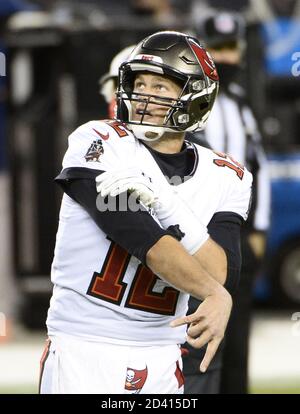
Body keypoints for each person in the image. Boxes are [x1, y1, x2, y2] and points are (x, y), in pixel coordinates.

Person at [40, 30, 252, 394]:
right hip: (85, 346)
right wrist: (215, 294)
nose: (143, 97)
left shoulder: (226, 175)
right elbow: (144, 240)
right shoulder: (99, 142)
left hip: (162, 352)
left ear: (195, 97)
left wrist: (166, 202)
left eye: (160, 87)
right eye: (139, 83)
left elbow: (220, 273)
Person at [183, 12, 270, 394]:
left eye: (231, 47)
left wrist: (260, 228)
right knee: (198, 342)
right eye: (217, 49)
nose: (226, 57)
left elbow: (259, 167)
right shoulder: (185, 107)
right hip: (198, 237)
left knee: (237, 343)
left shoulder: (239, 105)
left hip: (239, 236)